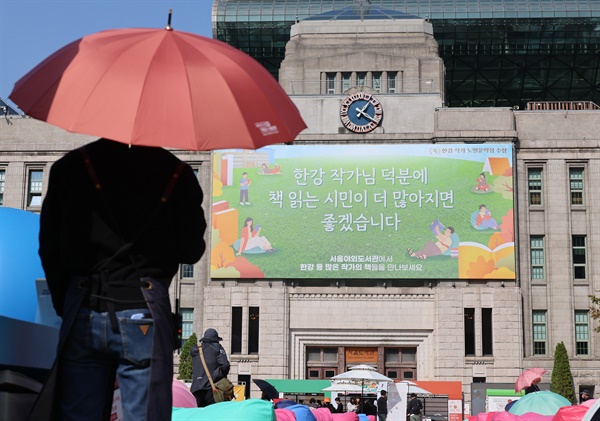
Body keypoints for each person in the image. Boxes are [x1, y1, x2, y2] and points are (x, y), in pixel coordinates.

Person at [34, 138, 206, 421]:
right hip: (144, 309)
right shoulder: (177, 173)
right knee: (144, 414)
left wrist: (62, 303)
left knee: (77, 414)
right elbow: (192, 250)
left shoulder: (70, 167)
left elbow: (49, 246)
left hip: (84, 306)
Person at [190, 328, 231, 407]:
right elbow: (225, 365)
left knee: (199, 415)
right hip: (210, 388)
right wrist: (216, 375)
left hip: (196, 388)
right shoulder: (217, 347)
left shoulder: (196, 350)